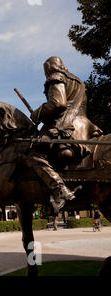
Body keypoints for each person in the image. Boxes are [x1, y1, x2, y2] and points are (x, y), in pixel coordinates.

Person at [25, 56, 103, 213]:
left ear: (49, 69)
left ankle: (60, 189)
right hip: (84, 126)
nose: (46, 75)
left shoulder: (56, 77)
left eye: (45, 72)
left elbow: (58, 103)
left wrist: (37, 113)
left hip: (67, 128)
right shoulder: (78, 82)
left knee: (32, 155)